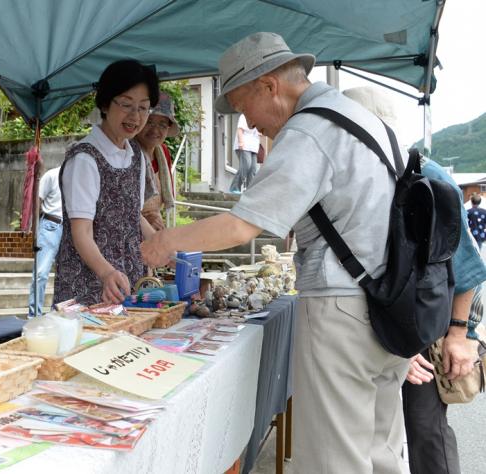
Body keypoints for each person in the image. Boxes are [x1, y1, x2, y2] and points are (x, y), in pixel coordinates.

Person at [142, 32, 408, 473]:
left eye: (242, 105)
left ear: (269, 85)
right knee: (383, 450)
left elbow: (243, 222)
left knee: (334, 456)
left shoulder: (310, 129)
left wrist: (165, 242)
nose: (247, 122)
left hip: (343, 306)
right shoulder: (361, 120)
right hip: (389, 302)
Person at [343, 86, 486, 474]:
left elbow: (468, 266)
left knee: (425, 430)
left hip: (426, 323)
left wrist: (460, 335)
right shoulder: (358, 177)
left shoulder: (427, 177)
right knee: (378, 430)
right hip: (383, 323)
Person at [53, 59, 158, 306]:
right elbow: (82, 233)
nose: (135, 116)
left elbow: (133, 215)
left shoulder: (136, 155)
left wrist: (162, 245)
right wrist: (106, 273)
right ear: (104, 103)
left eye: (144, 108)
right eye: (126, 105)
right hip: (89, 287)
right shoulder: (85, 159)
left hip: (128, 283)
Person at [134, 92, 179, 231]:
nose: (155, 130)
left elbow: (164, 197)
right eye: (149, 122)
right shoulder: (127, 152)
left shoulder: (163, 152)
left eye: (162, 124)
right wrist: (146, 220)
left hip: (154, 228)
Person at [28, 166, 63, 317]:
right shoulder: (52, 175)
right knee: (41, 273)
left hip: (72, 229)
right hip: (50, 225)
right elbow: (37, 201)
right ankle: (34, 316)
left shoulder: (78, 177)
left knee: (66, 274)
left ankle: (59, 314)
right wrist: (34, 229)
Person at [228, 114, 261, 193]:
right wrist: (240, 142)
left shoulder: (259, 118)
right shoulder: (244, 116)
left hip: (253, 147)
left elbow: (260, 133)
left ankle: (249, 191)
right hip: (244, 145)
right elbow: (240, 130)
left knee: (253, 169)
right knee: (246, 166)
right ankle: (234, 188)